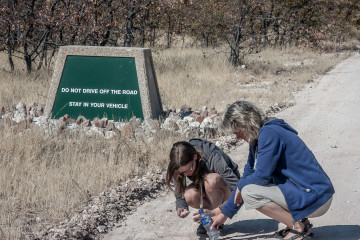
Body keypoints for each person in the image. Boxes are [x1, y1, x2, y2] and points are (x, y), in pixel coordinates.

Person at [210, 100, 335, 240]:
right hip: (311, 192)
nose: (237, 137)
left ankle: (297, 228)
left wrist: (240, 188)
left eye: (237, 131)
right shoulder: (258, 138)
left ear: (245, 121)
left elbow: (260, 177)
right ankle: (301, 223)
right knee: (247, 187)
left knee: (249, 193)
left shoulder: (269, 133)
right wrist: (224, 213)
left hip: (315, 196)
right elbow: (249, 173)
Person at [166, 138, 241, 236]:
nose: (186, 174)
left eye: (189, 169)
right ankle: (207, 220)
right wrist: (181, 206)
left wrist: (222, 211)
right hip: (205, 187)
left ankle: (216, 221)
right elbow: (179, 191)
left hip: (227, 188)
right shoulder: (178, 163)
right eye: (182, 172)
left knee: (211, 181)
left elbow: (238, 188)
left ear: (195, 157)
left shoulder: (212, 157)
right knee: (189, 194)